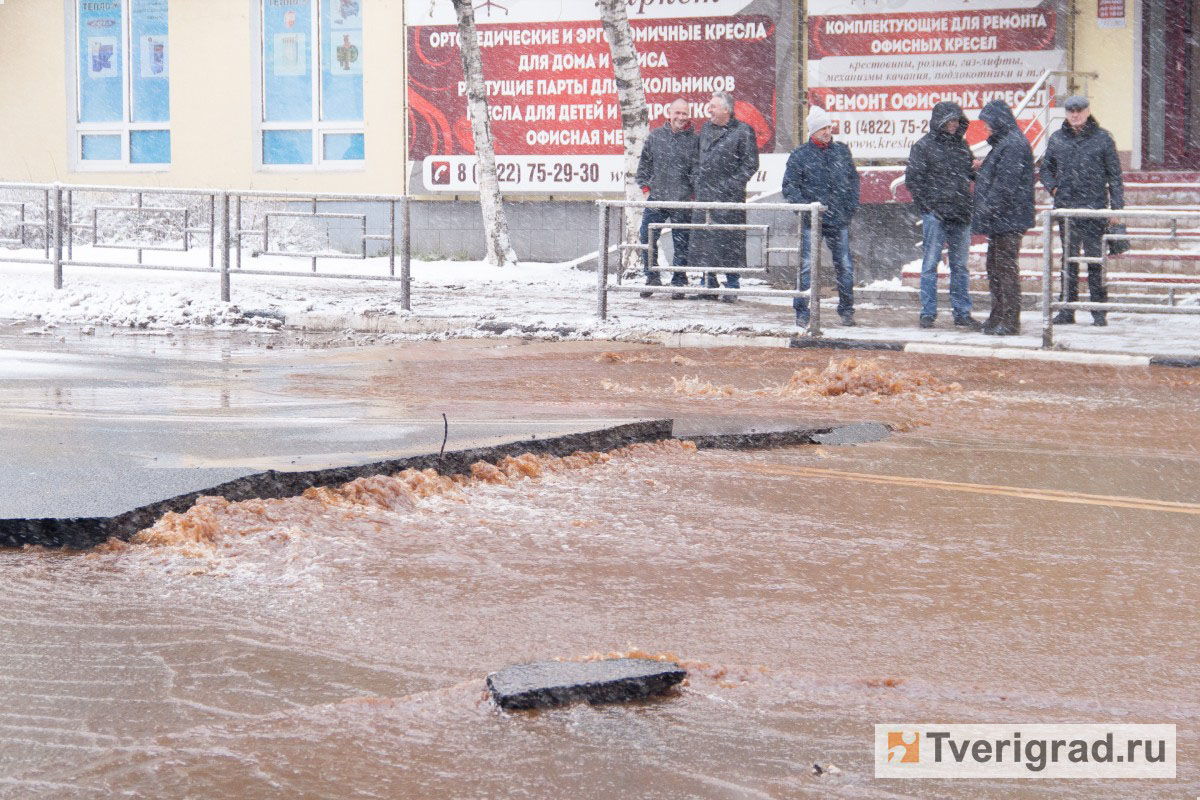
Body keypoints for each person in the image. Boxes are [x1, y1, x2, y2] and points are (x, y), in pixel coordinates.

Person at [1038, 95, 1124, 327]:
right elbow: (1045, 169)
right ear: (1066, 113)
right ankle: (1067, 309)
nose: (1075, 115)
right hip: (1066, 210)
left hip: (1094, 209)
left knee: (1095, 261)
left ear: (1088, 111)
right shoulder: (1057, 139)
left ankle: (1099, 311)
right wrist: (1054, 187)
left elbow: (1115, 177)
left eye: (1079, 110)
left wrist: (1117, 209)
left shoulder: (1103, 138)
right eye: (1070, 111)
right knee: (1068, 260)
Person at [904, 101, 981, 330]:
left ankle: (962, 313)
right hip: (937, 214)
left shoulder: (962, 146)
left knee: (959, 266)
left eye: (957, 120)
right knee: (930, 265)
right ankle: (928, 312)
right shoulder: (923, 147)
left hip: (960, 212)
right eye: (950, 120)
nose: (954, 124)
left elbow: (969, 173)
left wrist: (976, 169)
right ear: (940, 121)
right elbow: (913, 181)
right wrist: (929, 208)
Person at [782, 105, 860, 327]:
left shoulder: (841, 152)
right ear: (813, 131)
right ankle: (802, 311)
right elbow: (789, 187)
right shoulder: (800, 156)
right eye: (822, 128)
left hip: (839, 219)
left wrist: (849, 207)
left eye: (828, 127)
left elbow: (853, 181)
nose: (827, 131)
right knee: (806, 266)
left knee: (844, 265)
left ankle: (846, 310)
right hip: (812, 221)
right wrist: (807, 208)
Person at [689, 90, 759, 301]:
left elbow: (750, 164)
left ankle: (732, 285)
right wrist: (698, 181)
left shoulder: (743, 131)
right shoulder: (706, 130)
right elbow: (696, 160)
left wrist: (730, 185)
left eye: (713, 106)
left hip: (729, 198)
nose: (709, 109)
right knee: (705, 241)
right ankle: (708, 284)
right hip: (705, 196)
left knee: (730, 242)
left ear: (726, 110)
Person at [972, 99, 1035, 336]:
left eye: (988, 123)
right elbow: (995, 178)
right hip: (1003, 218)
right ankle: (998, 315)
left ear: (998, 121)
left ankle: (1010, 320)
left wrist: (986, 208)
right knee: (995, 267)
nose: (986, 128)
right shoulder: (1005, 144)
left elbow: (1005, 185)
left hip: (1009, 218)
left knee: (1005, 269)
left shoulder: (1013, 145)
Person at [636, 98, 698, 299]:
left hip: (682, 200)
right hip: (657, 198)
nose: (681, 117)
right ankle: (651, 277)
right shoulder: (655, 137)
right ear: (669, 113)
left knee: (681, 242)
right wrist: (647, 190)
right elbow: (643, 166)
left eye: (684, 113)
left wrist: (692, 194)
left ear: (689, 115)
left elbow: (698, 170)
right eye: (677, 113)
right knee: (646, 236)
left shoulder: (695, 140)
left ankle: (679, 281)